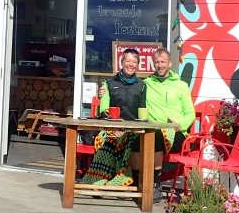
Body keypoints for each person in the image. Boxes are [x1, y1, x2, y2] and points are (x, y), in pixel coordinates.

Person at [81, 49, 146, 186]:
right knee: (109, 139)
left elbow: (142, 111)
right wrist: (114, 127)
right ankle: (100, 179)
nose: (131, 64)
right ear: (121, 63)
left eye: (134, 62)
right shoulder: (108, 83)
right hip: (111, 127)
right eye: (127, 61)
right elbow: (104, 111)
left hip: (133, 130)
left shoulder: (142, 85)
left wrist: (128, 129)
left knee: (131, 141)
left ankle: (124, 178)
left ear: (138, 65)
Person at [139, 48, 194, 201]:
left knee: (155, 136)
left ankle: (154, 185)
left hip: (176, 134)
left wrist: (180, 125)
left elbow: (190, 112)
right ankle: (136, 182)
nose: (160, 65)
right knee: (147, 136)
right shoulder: (146, 83)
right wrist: (106, 90)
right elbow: (127, 92)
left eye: (163, 62)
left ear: (170, 63)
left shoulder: (181, 85)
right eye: (157, 62)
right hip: (153, 131)